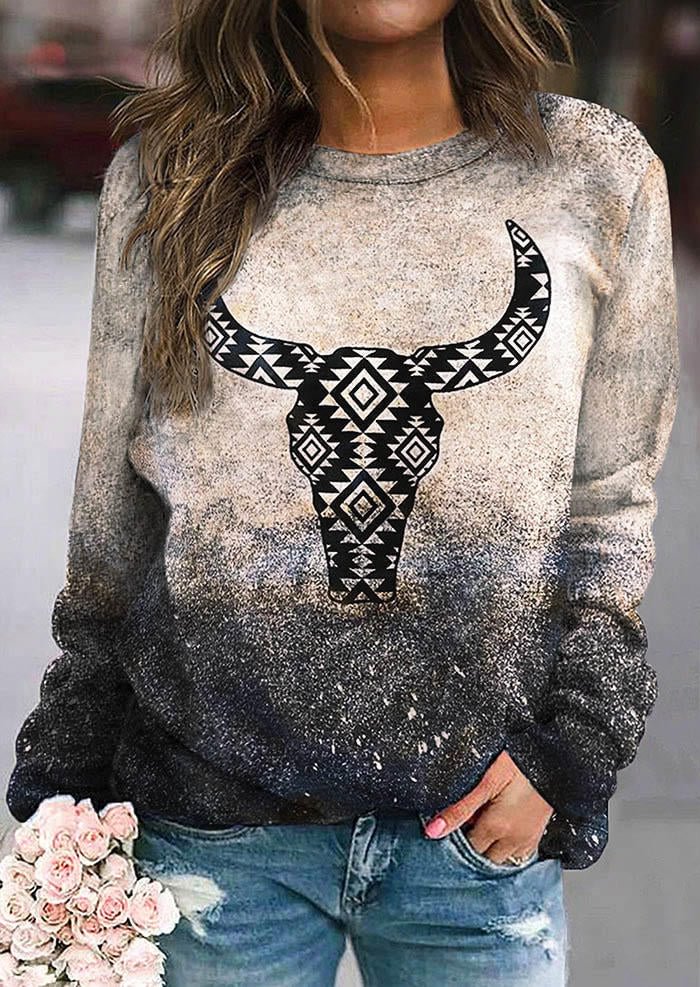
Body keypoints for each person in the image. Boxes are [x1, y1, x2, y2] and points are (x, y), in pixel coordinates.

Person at [5, 1, 680, 984]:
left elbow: (609, 502)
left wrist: (570, 751)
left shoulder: (596, 173)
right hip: (211, 838)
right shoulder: (166, 176)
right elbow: (114, 529)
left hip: (476, 841)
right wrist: (65, 789)